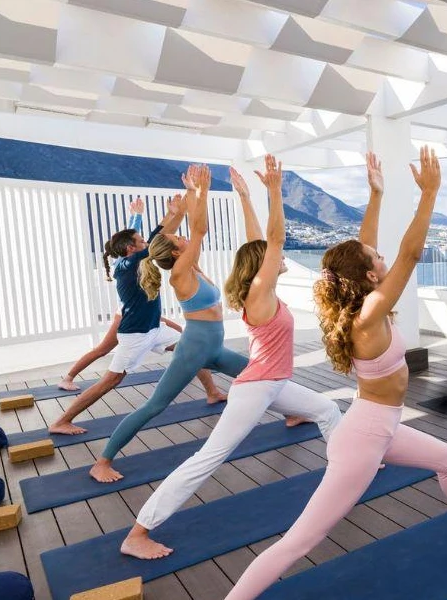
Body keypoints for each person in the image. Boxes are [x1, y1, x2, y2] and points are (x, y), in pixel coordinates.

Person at [224, 148, 447, 599]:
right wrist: (429, 194)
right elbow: (411, 255)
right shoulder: (368, 316)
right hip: (362, 440)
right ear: (371, 275)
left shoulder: (361, 303)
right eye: (377, 257)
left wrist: (375, 195)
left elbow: (363, 245)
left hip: (380, 426)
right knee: (299, 542)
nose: (383, 256)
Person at [119, 155, 342, 559]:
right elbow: (272, 241)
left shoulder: (252, 284)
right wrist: (272, 190)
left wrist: (244, 198)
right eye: (273, 258)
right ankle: (138, 531)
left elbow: (258, 243)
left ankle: (348, 469)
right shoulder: (260, 293)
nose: (280, 258)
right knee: (210, 457)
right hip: (256, 388)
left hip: (274, 384)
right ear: (263, 268)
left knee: (327, 409)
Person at [91, 165, 304, 482]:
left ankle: (292, 411)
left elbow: (194, 230)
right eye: (179, 237)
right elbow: (200, 230)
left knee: (259, 375)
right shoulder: (180, 274)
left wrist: (191, 193)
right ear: (178, 252)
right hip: (194, 348)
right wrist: (202, 192)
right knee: (155, 406)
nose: (184, 236)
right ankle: (103, 461)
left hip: (213, 346)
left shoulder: (193, 267)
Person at [47, 196, 224, 436]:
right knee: (111, 381)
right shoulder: (128, 265)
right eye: (140, 242)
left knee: (190, 349)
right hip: (135, 335)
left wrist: (171, 215)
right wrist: (172, 216)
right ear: (131, 249)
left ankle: (212, 392)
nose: (144, 243)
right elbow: (156, 241)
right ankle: (62, 420)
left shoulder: (131, 259)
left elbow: (151, 240)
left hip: (153, 328)